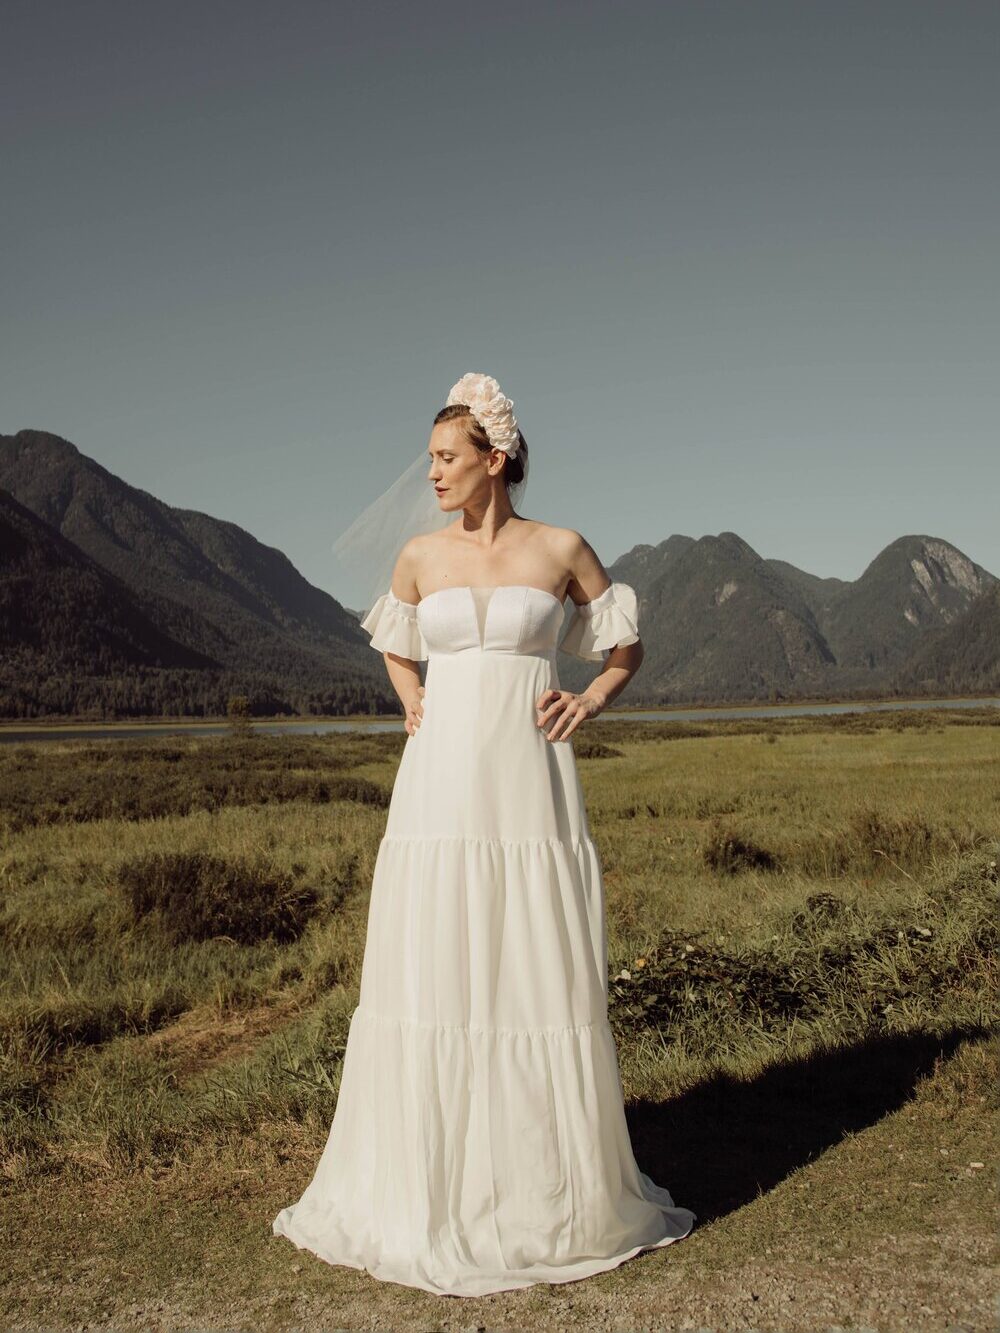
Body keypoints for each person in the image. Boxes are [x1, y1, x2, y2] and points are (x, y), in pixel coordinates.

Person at [272, 373, 696, 1297]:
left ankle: (543, 1187)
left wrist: (585, 697)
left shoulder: (561, 547)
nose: (430, 473)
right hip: (440, 779)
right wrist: (413, 692)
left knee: (528, 955)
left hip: (528, 773)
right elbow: (393, 639)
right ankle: (430, 1183)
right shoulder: (421, 557)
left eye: (446, 458)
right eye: (429, 458)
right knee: (436, 956)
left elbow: (623, 645)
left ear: (494, 461)